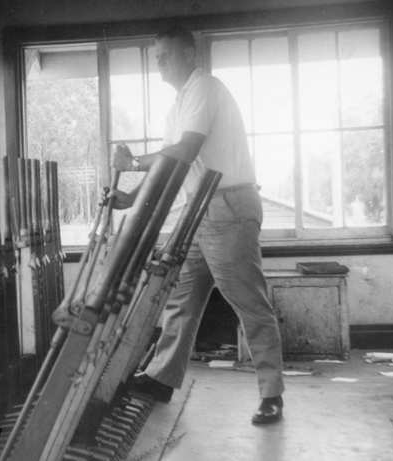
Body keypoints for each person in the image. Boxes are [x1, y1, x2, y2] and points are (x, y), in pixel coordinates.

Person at [110, 25, 285, 425]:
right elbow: (172, 166)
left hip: (228, 207)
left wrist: (134, 162)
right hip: (199, 210)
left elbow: (185, 151)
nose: (160, 63)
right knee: (179, 298)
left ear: (190, 54)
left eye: (166, 55)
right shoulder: (180, 104)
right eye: (156, 57)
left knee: (248, 302)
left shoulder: (205, 87)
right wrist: (132, 197)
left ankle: (272, 394)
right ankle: (160, 379)